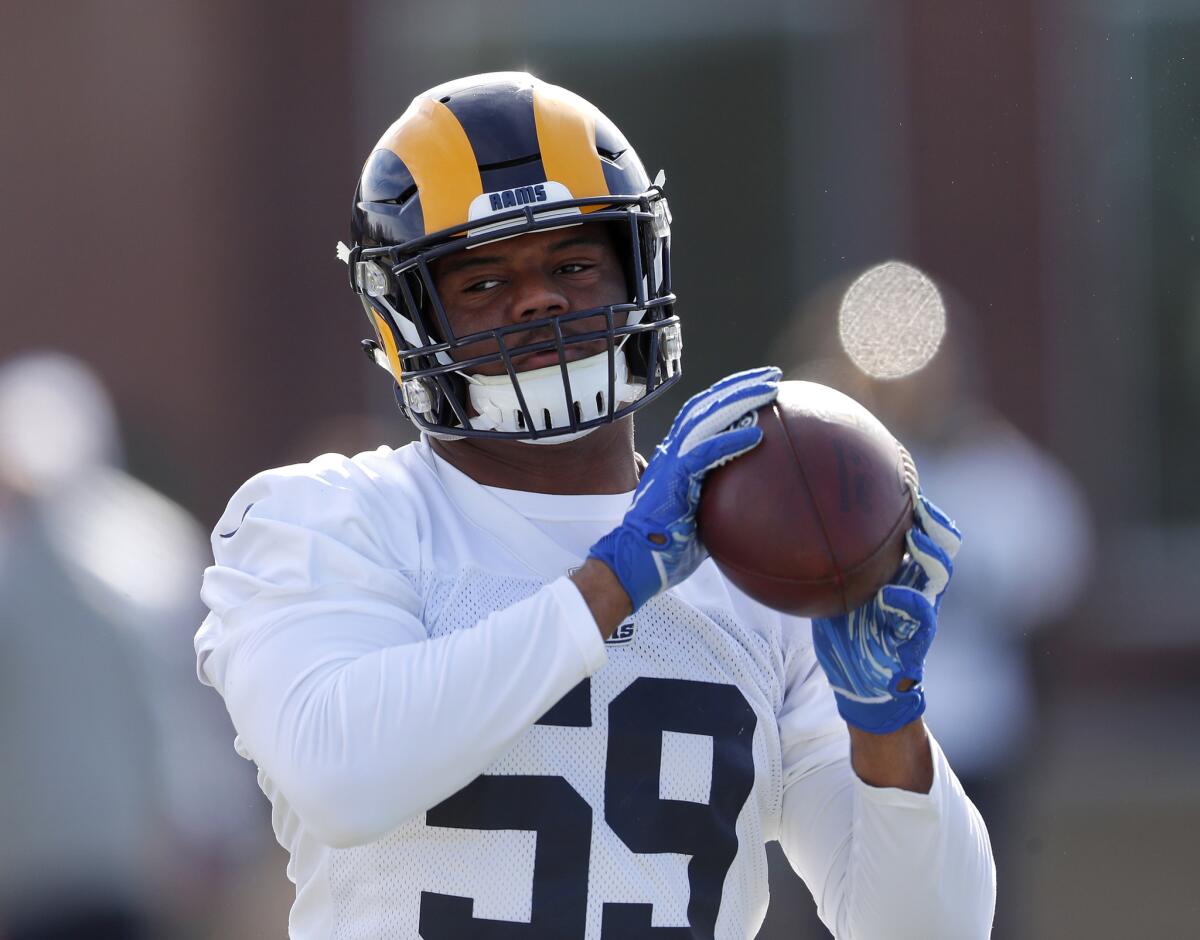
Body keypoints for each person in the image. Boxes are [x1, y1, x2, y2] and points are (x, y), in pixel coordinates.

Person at [196, 72, 995, 938]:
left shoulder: (757, 564)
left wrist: (889, 730)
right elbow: (343, 776)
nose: (538, 299)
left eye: (574, 264)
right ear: (408, 318)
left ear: (638, 271)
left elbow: (928, 930)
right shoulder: (329, 520)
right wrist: (614, 581)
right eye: (482, 282)